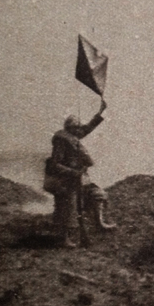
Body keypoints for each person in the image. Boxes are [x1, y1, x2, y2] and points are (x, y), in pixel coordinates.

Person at [45, 99, 112, 248]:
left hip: (80, 179)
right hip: (66, 182)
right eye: (76, 127)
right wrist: (73, 172)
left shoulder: (73, 136)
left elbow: (88, 128)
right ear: (70, 128)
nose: (80, 130)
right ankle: (65, 239)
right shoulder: (62, 141)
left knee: (98, 195)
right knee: (69, 210)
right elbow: (55, 165)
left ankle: (100, 223)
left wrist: (100, 114)